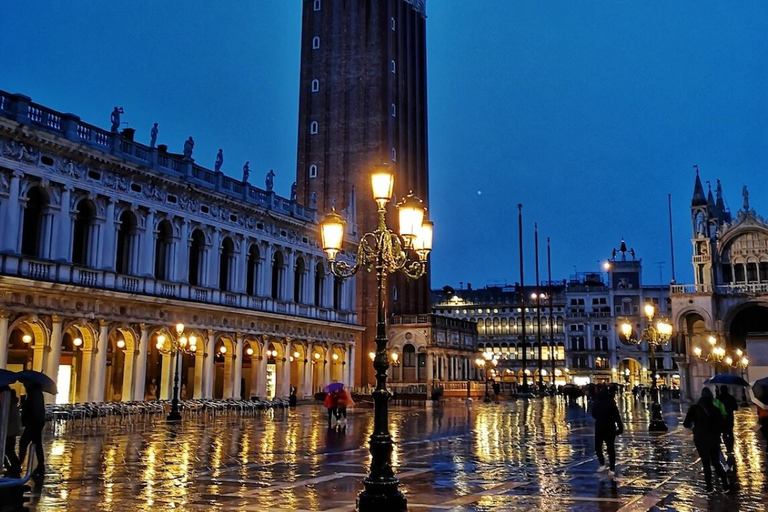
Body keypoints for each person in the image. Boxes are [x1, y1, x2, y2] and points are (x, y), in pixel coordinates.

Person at [683, 387, 730, 493]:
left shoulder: (694, 408)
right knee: (716, 461)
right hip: (714, 438)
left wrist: (695, 426)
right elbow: (722, 425)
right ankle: (725, 485)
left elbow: (686, 423)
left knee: (706, 462)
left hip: (701, 438)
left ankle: (709, 487)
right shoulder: (716, 410)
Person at [591, 387, 623, 480]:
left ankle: (602, 463)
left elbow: (593, 414)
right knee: (610, 448)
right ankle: (612, 468)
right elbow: (617, 416)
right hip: (610, 427)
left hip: (600, 426)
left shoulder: (597, 403)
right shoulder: (611, 403)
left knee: (598, 447)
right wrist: (620, 427)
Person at [18, 383, 46, 477]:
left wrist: (25, 406)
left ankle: (19, 463)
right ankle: (40, 465)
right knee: (37, 444)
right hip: (36, 423)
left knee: (24, 442)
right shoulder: (35, 394)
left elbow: (33, 410)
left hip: (33, 423)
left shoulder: (34, 395)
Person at [716, 385, 738, 468]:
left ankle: (727, 445)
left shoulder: (718, 397)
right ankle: (730, 447)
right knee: (730, 432)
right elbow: (735, 407)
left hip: (721, 419)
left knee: (724, 433)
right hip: (729, 418)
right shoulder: (731, 397)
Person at [2, 388, 22, 476]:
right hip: (10, 431)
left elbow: (8, 418)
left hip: (9, 431)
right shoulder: (11, 404)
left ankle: (15, 467)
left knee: (8, 450)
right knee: (8, 450)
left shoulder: (10, 405)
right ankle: (13, 467)